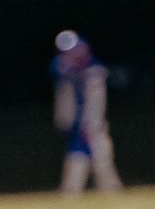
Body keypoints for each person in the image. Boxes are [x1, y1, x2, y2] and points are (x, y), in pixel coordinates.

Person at [52, 31, 121, 192]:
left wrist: (92, 124)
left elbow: (96, 103)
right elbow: (55, 72)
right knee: (75, 162)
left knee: (102, 160)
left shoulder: (94, 70)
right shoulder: (66, 72)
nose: (69, 55)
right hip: (75, 127)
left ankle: (111, 192)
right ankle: (71, 192)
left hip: (92, 126)